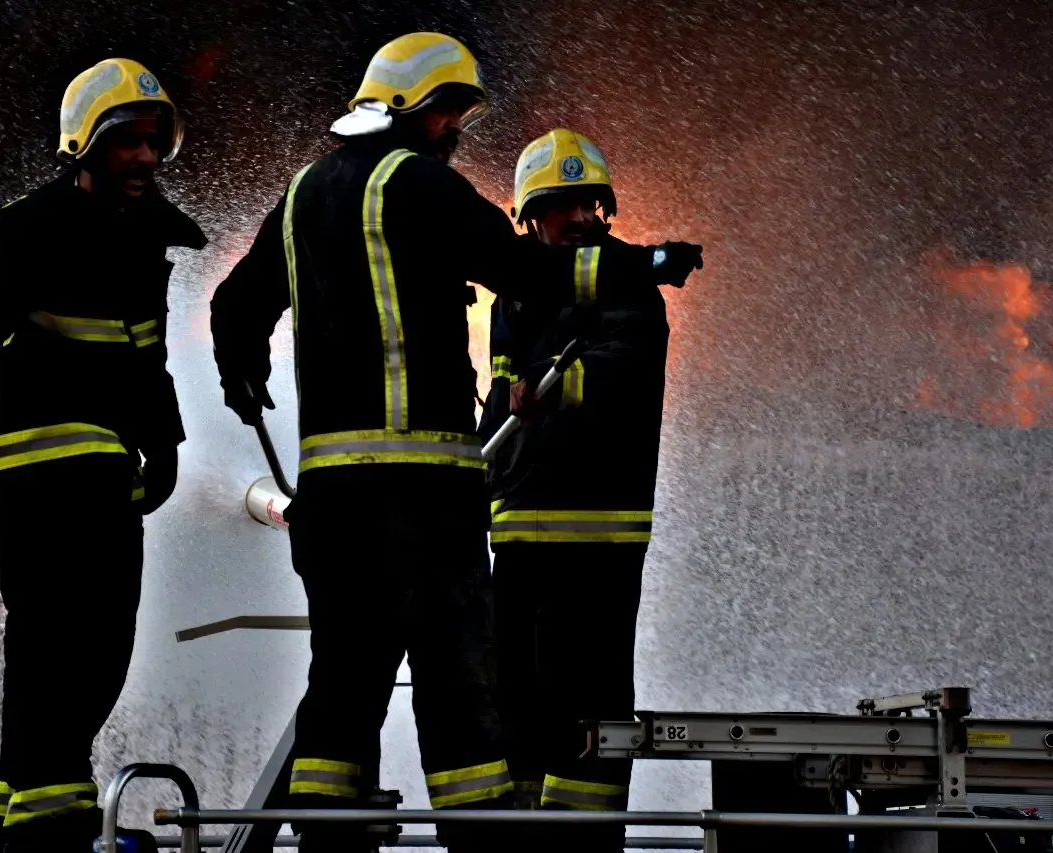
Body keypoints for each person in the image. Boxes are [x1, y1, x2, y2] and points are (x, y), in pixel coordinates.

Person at [208, 31, 701, 853]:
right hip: (425, 492)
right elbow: (527, 270)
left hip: (332, 494)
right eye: (448, 113)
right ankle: (484, 845)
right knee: (458, 687)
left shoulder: (299, 196)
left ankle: (327, 840)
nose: (454, 130)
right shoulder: (420, 184)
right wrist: (642, 262)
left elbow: (234, 306)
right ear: (409, 109)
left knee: (343, 685)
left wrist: (242, 373)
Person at [0, 58, 205, 852]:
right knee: (60, 645)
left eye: (155, 142)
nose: (145, 156)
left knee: (99, 648)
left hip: (107, 473)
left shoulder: (145, 238)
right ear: (85, 145)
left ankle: (13, 819)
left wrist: (164, 445)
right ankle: (57, 823)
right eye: (128, 141)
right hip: (39, 471)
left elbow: (145, 358)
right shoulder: (34, 225)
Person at [479, 128, 672, 853]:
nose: (582, 218)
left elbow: (622, 376)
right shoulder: (513, 297)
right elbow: (499, 402)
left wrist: (552, 387)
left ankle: (585, 846)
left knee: (589, 711)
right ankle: (518, 840)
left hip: (599, 535)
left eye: (591, 204)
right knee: (514, 705)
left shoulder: (631, 288)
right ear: (531, 219)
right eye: (562, 207)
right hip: (517, 534)